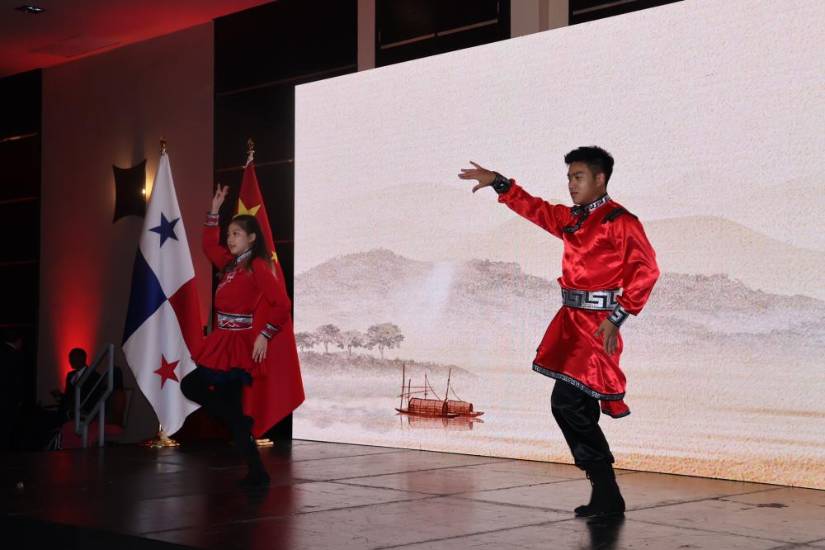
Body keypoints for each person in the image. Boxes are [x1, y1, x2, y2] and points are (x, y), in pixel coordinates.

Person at [458, 146, 659, 518]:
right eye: (568, 177)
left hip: (597, 328)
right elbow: (537, 210)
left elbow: (645, 271)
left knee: (565, 403)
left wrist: (616, 318)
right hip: (570, 323)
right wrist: (500, 184)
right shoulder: (573, 219)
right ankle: (606, 493)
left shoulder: (620, 221)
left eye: (578, 177)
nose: (570, 184)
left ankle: (606, 487)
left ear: (600, 179)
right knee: (577, 405)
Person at [181, 184, 292, 487]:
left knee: (193, 385)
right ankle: (257, 471)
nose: (229, 239)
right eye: (229, 234)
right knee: (226, 407)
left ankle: (242, 433)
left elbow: (282, 304)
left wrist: (265, 335)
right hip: (221, 341)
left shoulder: (256, 265)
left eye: (236, 234)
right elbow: (207, 246)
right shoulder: (231, 265)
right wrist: (214, 211)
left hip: (238, 345)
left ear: (252, 238)